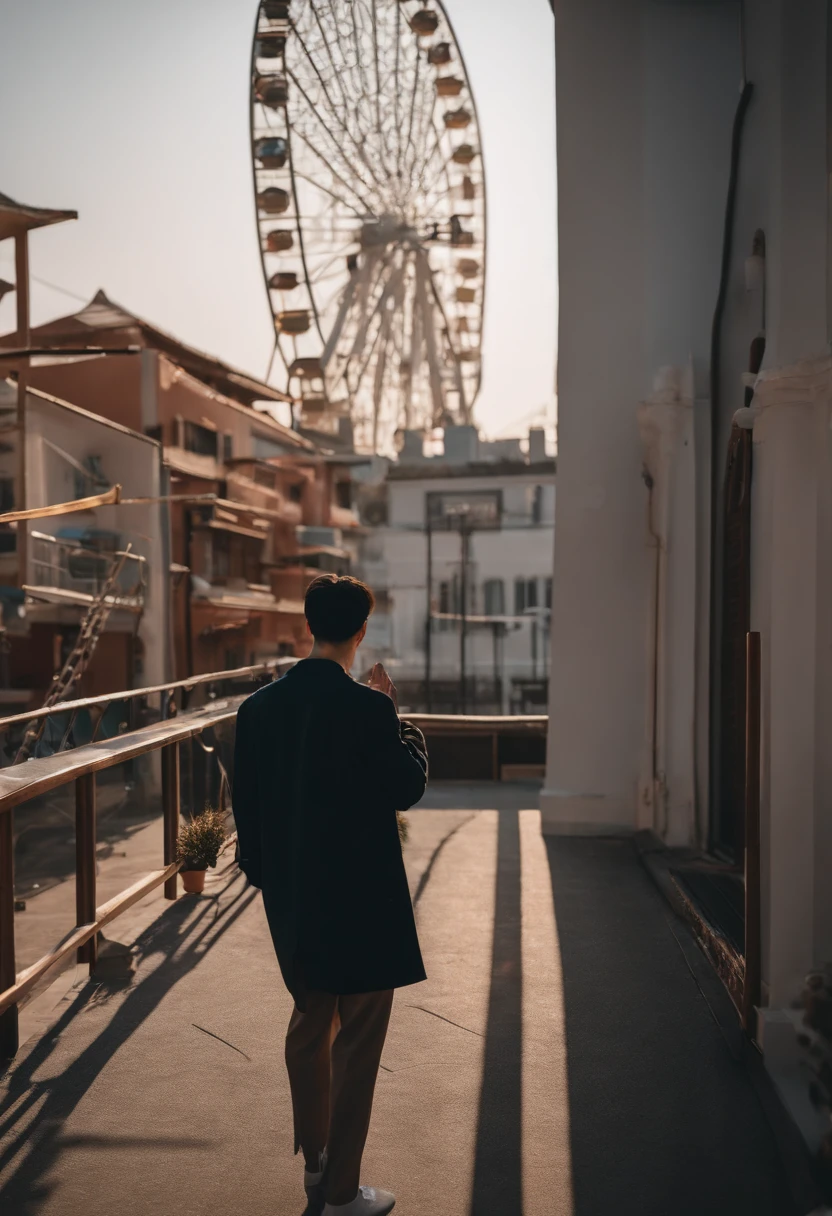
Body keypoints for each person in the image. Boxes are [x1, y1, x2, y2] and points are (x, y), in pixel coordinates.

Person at [232, 574, 428, 1216]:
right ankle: (344, 1192)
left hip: (297, 900)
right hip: (365, 902)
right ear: (361, 631)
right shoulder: (370, 709)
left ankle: (315, 1161)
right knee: (358, 1043)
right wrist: (400, 723)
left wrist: (277, 884)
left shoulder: (257, 709)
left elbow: (249, 815)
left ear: (308, 625)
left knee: (309, 1024)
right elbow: (405, 787)